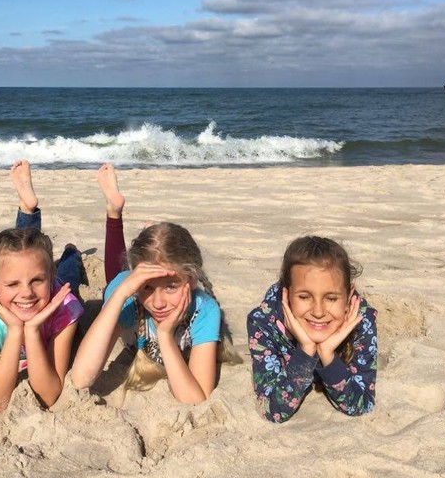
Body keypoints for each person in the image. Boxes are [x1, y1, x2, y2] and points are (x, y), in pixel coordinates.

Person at [71, 164, 240, 404]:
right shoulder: (128, 298)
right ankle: (114, 215)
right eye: (148, 287)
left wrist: (165, 335)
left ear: (191, 280)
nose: (158, 303)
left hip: (138, 285)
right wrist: (122, 293)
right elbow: (80, 379)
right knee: (115, 276)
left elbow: (195, 397)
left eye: (171, 286)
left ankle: (147, 235)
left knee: (136, 266)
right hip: (123, 286)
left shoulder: (204, 310)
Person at [0, 161, 84, 415]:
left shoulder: (65, 307)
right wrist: (16, 330)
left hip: (54, 289)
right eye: (12, 284)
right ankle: (28, 211)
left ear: (50, 279)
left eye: (37, 281)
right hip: (34, 282)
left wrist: (33, 330)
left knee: (68, 272)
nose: (26, 291)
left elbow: (49, 396)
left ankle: (71, 254)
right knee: (25, 259)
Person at [247, 235, 377, 423]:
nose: (318, 312)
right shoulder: (264, 323)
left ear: (349, 297)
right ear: (287, 294)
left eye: (331, 298)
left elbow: (362, 405)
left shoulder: (360, 320)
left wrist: (328, 354)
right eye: (304, 297)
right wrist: (306, 351)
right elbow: (273, 410)